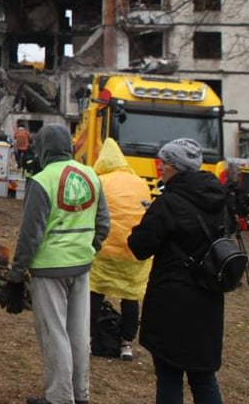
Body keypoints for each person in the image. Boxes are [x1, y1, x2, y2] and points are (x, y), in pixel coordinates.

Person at [2, 123, 110, 404]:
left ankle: (59, 398)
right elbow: (103, 224)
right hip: (82, 265)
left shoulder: (42, 180)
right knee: (78, 334)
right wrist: (87, 248)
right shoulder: (91, 176)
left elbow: (30, 234)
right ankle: (80, 394)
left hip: (49, 268)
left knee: (55, 335)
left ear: (42, 149)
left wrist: (16, 275)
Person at [128, 138, 229, 404]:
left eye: (166, 162)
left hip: (172, 298)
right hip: (209, 296)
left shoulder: (169, 203)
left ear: (177, 167)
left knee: (170, 373)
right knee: (203, 376)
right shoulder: (218, 200)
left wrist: (142, 223)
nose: (161, 167)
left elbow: (139, 247)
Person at [89, 138, 151, 361]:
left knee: (95, 290)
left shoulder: (99, 180)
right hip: (133, 250)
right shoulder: (140, 182)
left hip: (105, 248)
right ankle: (126, 343)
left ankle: (88, 338)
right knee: (130, 295)